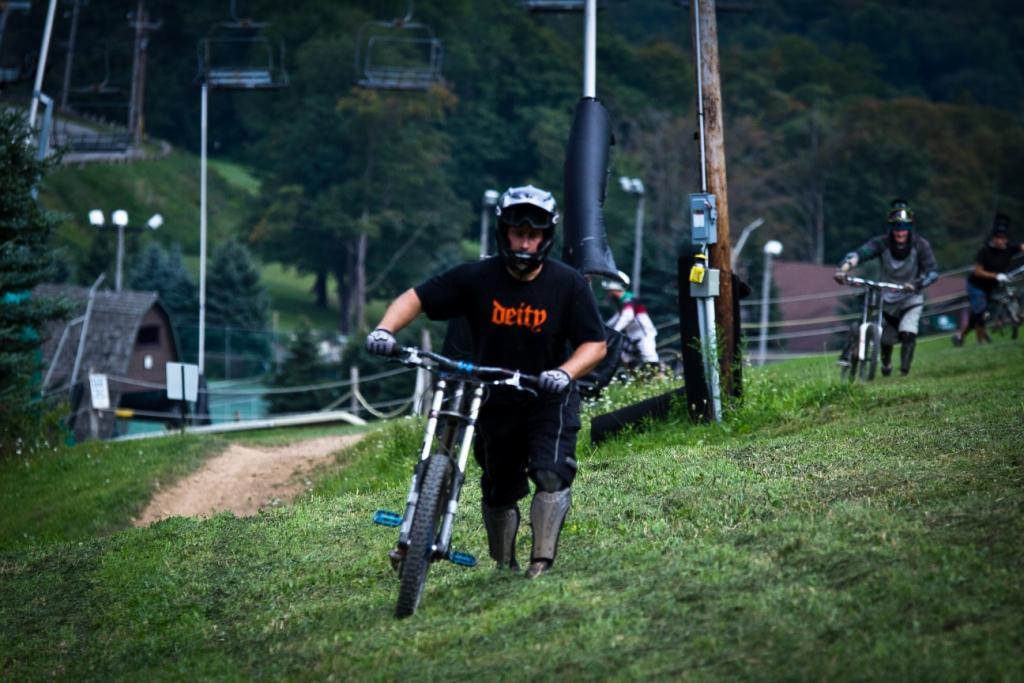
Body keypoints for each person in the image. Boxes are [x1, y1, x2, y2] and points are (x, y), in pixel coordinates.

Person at [366, 185, 607, 579]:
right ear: (504, 232)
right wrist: (384, 330)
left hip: (547, 395)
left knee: (549, 472)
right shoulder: (477, 277)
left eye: (533, 234)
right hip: (491, 398)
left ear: (546, 237)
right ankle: (504, 564)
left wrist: (563, 373)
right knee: (499, 489)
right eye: (518, 232)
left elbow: (594, 345)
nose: (525, 241)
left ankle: (540, 563)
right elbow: (416, 298)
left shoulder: (568, 284)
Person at [834, 199, 938, 376]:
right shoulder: (882, 243)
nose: (900, 233)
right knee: (884, 337)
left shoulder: (921, 245)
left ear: (910, 228)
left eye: (903, 228)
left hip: (911, 297)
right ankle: (876, 361)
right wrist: (845, 267)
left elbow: (933, 272)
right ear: (891, 229)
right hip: (887, 295)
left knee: (908, 332)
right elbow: (860, 254)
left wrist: (916, 284)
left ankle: (904, 372)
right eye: (896, 228)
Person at [953, 214, 1024, 346]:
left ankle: (961, 336)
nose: (1002, 241)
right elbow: (978, 271)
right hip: (977, 286)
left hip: (993, 285)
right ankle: (979, 342)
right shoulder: (985, 251)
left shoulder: (1009, 249)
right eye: (999, 238)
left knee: (983, 312)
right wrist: (996, 275)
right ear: (994, 238)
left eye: (1004, 238)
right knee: (979, 311)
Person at [602, 271, 659, 369]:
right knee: (626, 357)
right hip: (633, 335)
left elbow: (627, 317)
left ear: (615, 288)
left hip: (644, 334)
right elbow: (618, 316)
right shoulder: (622, 301)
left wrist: (614, 330)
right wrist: (605, 327)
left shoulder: (628, 299)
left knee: (649, 357)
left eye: (609, 290)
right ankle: (636, 379)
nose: (608, 293)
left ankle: (661, 377)